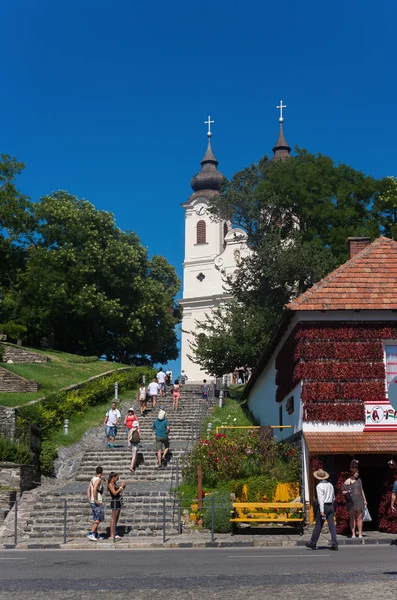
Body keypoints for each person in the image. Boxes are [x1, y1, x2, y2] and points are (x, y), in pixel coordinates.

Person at [305, 468, 338, 551]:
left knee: (318, 525)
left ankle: (313, 542)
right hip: (330, 505)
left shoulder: (319, 486)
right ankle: (335, 543)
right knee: (332, 526)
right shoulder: (330, 485)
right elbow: (334, 497)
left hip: (324, 506)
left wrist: (322, 510)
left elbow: (321, 499)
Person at [342, 467, 367, 538]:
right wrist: (347, 492)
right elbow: (342, 491)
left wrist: (365, 500)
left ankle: (360, 533)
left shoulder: (359, 480)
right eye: (356, 473)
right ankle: (353, 533)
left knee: (359, 517)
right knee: (352, 517)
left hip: (359, 500)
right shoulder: (347, 481)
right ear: (352, 473)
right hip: (351, 501)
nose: (357, 474)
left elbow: (361, 490)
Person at [87, 466, 105, 541]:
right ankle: (91, 533)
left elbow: (88, 490)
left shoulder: (92, 479)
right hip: (97, 501)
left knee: (95, 519)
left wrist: (90, 499)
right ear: (101, 472)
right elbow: (94, 489)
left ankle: (95, 534)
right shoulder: (98, 480)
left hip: (92, 501)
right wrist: (95, 499)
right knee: (98, 519)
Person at [108, 471, 126, 541]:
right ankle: (112, 534)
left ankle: (114, 532)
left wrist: (123, 487)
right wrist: (121, 487)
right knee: (113, 518)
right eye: (117, 478)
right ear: (113, 477)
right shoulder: (110, 484)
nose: (117, 479)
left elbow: (119, 491)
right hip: (114, 501)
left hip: (118, 501)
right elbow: (114, 493)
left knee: (116, 518)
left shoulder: (114, 484)